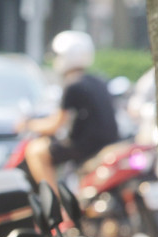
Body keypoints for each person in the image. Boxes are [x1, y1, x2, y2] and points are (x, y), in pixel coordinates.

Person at [17, 30, 119, 192]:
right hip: (108, 141)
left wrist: (29, 125)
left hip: (85, 145)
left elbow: (55, 125)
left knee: (35, 151)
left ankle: (55, 204)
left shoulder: (72, 85)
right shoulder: (98, 80)